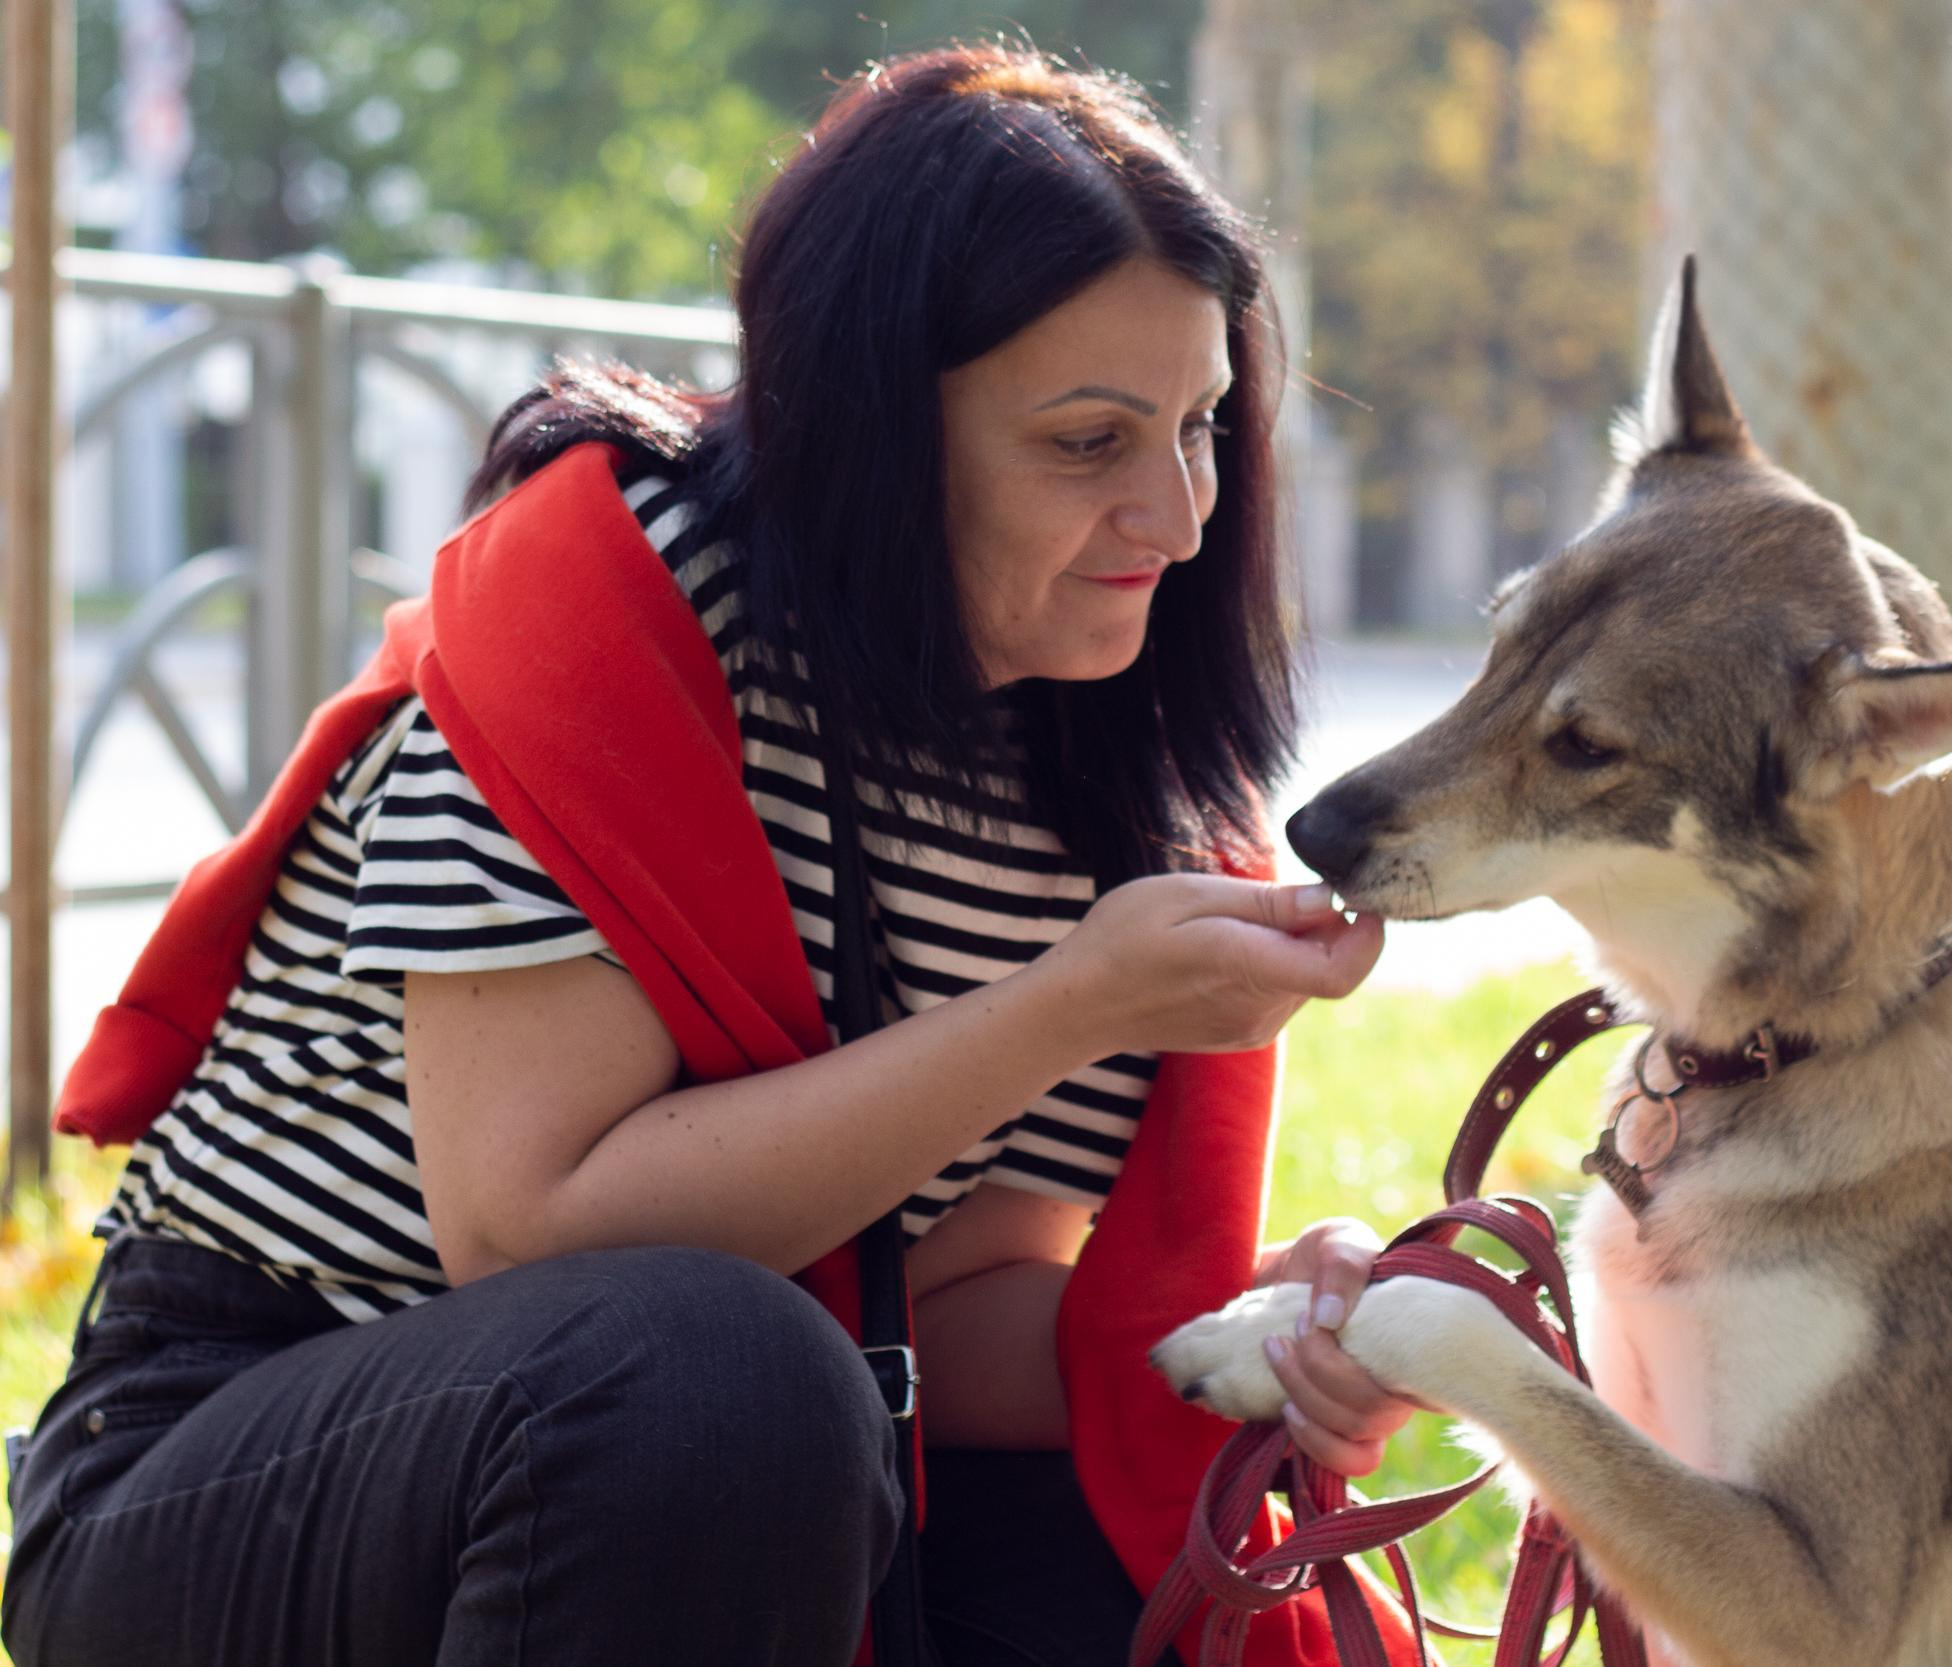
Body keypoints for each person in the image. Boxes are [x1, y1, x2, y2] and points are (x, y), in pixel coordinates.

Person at [2, 45, 1423, 1667]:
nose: (1176, 518)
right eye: (1088, 444)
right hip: (228, 1454)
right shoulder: (613, 613)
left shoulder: (1112, 769)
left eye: (1203, 427)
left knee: (1177, 1593)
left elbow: (938, 1317)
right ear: (876, 430)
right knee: (712, 1381)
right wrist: (1069, 1006)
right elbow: (530, 1225)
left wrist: (1255, 1337)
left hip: (709, 1458)